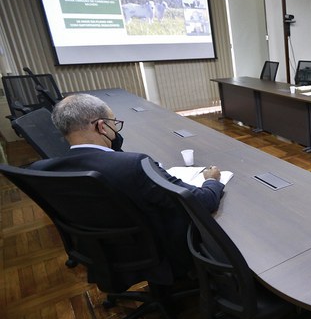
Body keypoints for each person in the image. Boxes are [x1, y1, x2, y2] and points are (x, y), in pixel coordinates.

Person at [31, 93, 226, 279]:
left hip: (98, 249)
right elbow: (202, 201)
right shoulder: (133, 165)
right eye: (114, 123)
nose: (116, 130)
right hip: (154, 249)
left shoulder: (43, 169)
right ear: (101, 127)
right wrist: (212, 180)